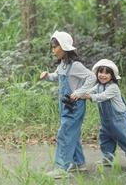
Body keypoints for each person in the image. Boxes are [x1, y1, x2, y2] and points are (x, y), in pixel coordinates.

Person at [40, 31, 96, 178]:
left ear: (64, 47)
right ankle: (78, 163)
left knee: (65, 133)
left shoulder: (76, 65)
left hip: (74, 106)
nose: (53, 51)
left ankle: (61, 167)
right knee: (72, 133)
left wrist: (80, 92)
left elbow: (92, 77)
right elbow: (55, 77)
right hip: (65, 105)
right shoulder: (63, 65)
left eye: (54, 47)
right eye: (52, 48)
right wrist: (47, 76)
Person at [81, 59, 126, 173]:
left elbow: (103, 96)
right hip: (106, 121)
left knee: (125, 138)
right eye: (101, 72)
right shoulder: (98, 86)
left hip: (119, 119)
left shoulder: (113, 88)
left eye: (107, 73)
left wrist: (89, 97)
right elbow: (91, 91)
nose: (103, 75)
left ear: (112, 76)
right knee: (105, 138)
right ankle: (108, 158)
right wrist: (82, 92)